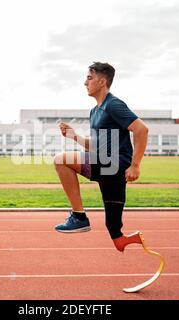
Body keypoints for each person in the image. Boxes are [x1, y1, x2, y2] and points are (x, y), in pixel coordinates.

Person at [53, 62, 150, 252]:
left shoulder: (113, 104)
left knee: (60, 160)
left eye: (89, 78)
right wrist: (74, 137)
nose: (84, 83)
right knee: (115, 232)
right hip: (107, 166)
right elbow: (97, 146)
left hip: (114, 164)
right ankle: (131, 240)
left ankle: (79, 217)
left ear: (102, 81)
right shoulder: (95, 111)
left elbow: (141, 130)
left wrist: (135, 165)